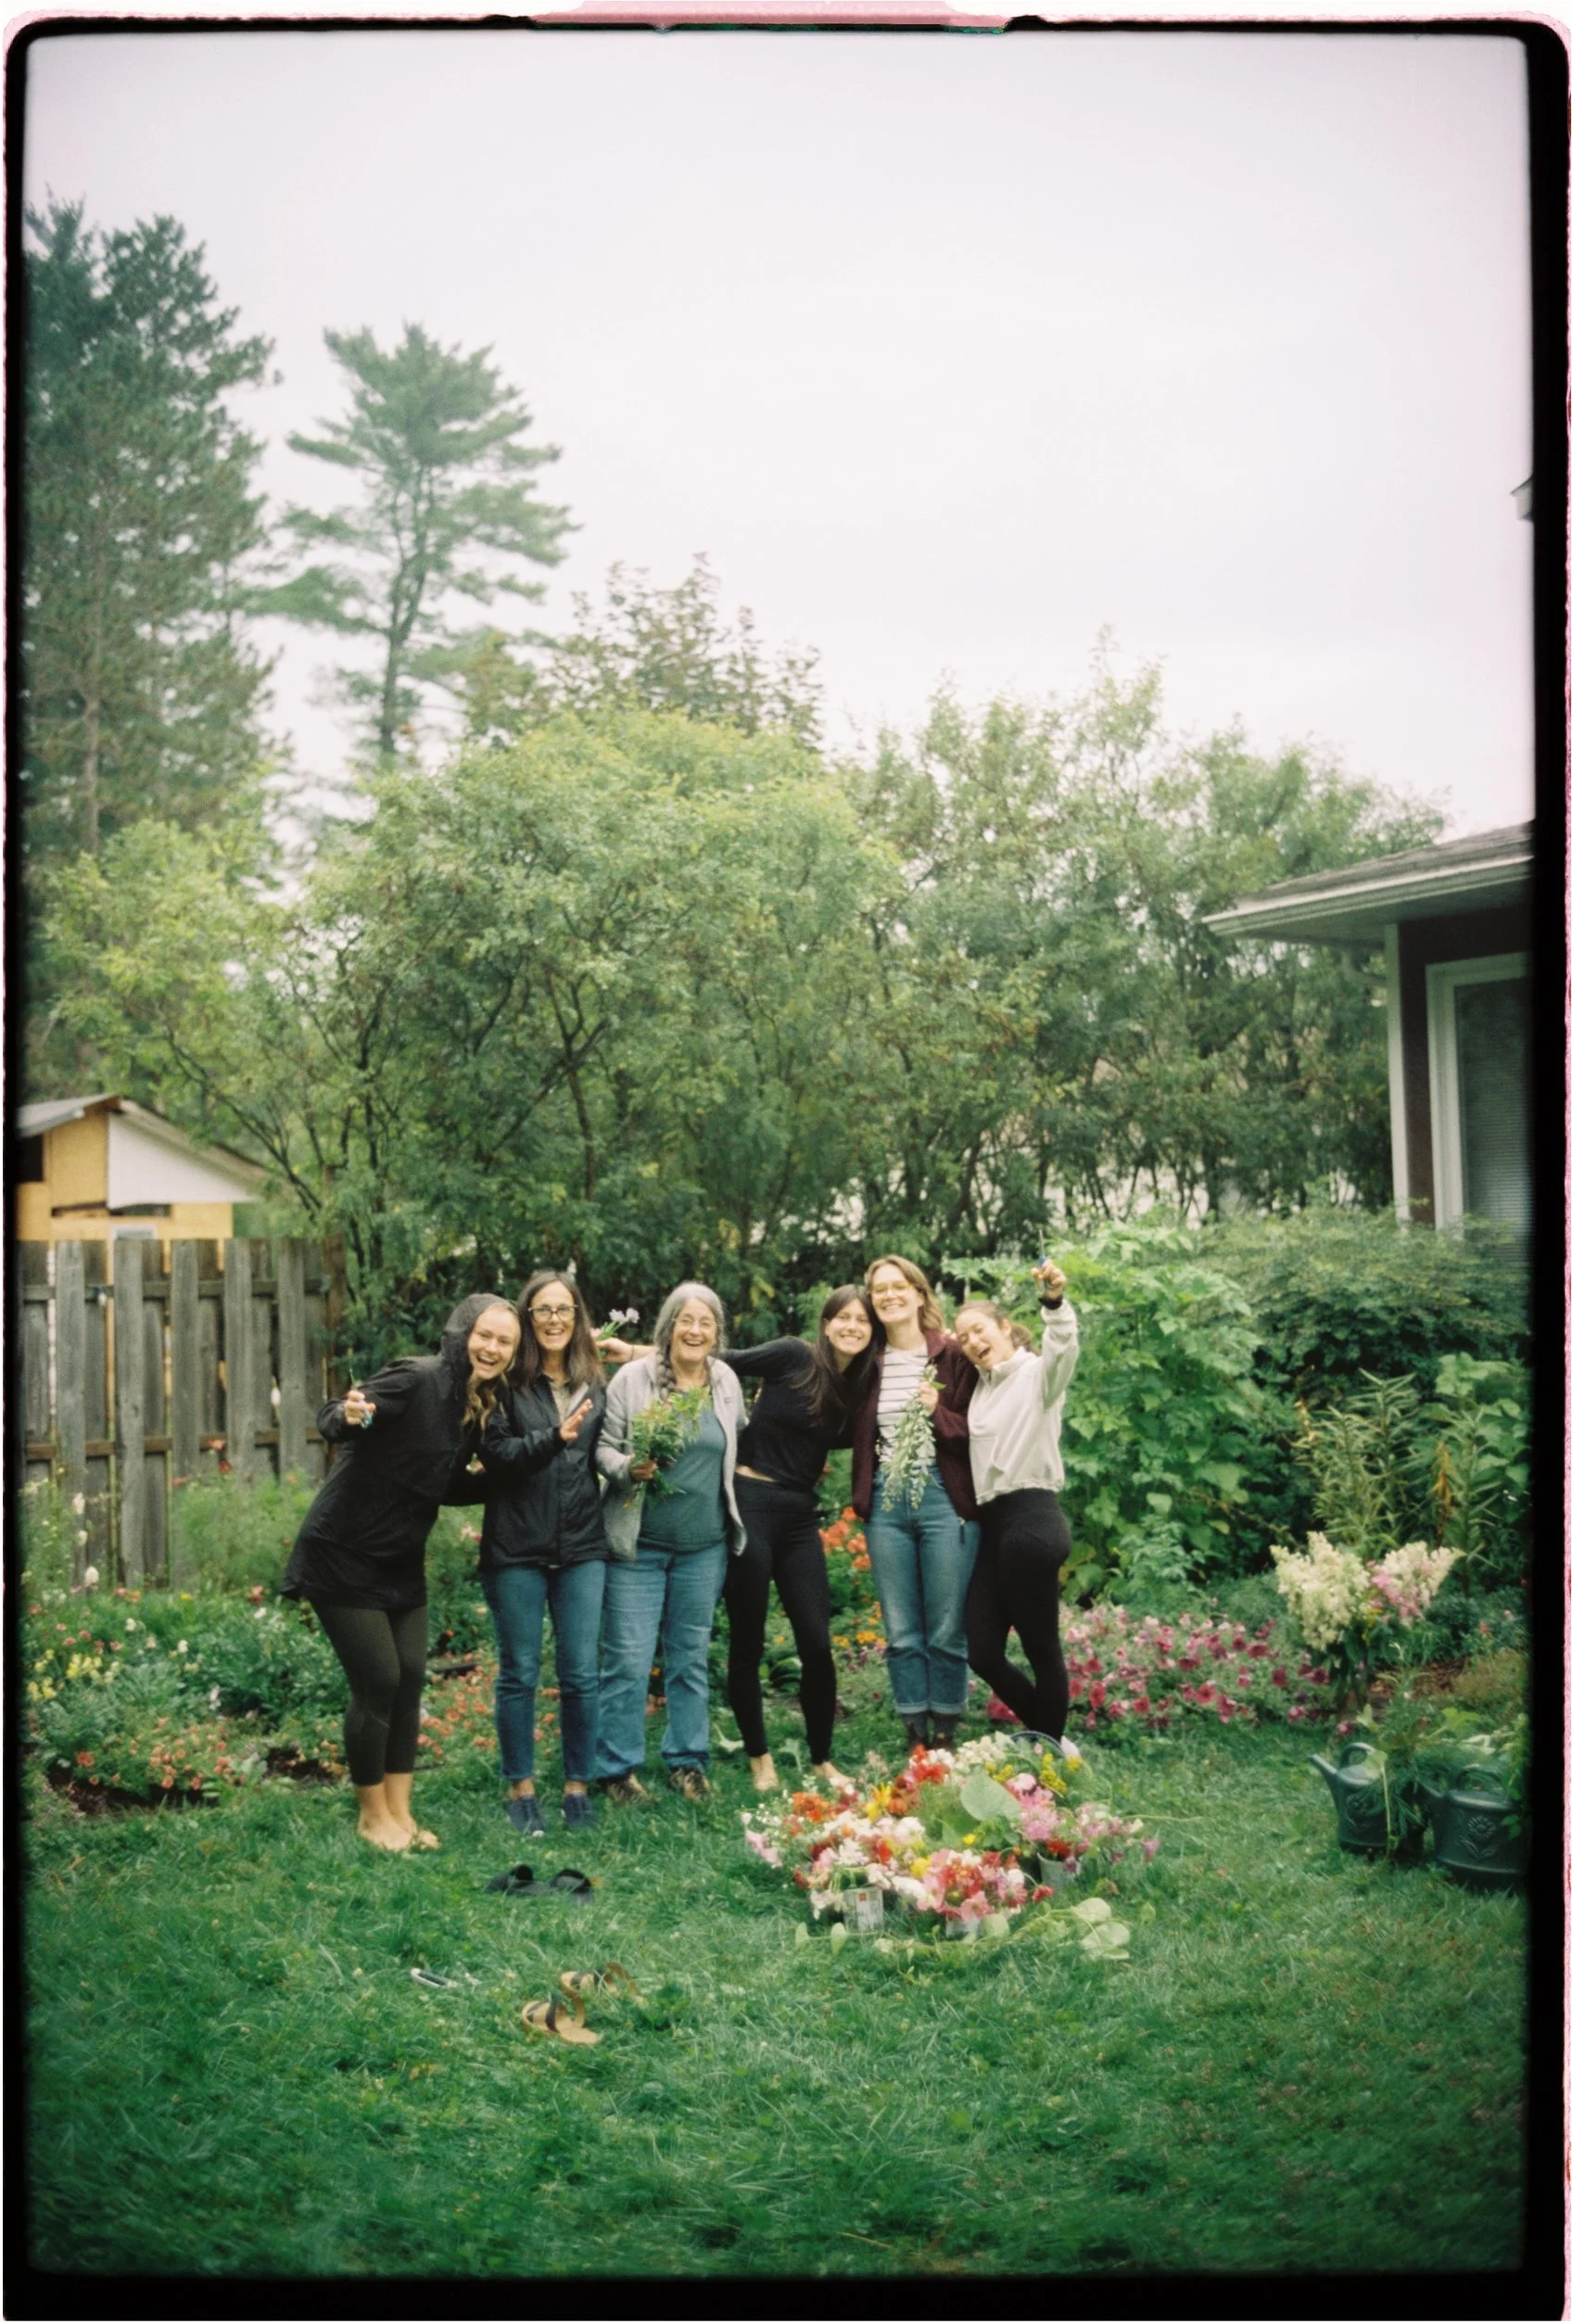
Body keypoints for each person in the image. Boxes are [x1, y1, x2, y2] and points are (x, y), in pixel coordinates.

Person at [280, 1292, 520, 1851]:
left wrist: (508, 1479)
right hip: (342, 1550)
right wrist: (348, 1414)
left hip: (400, 1559)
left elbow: (446, 1483)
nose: (492, 1348)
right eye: (485, 1335)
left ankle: (400, 1815)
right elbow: (334, 1416)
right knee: (379, 1680)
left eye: (504, 1342)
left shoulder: (475, 1402)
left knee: (411, 1677)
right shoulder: (416, 1378)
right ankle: (370, 1818)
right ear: (462, 1332)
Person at [476, 1274, 638, 1836]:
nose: (552, 1319)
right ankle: (521, 1789)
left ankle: (576, 1787)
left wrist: (634, 1463)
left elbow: (609, 1448)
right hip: (515, 1547)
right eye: (541, 1310)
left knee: (580, 1675)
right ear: (526, 1317)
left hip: (580, 1546)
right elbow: (495, 1453)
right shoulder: (506, 1383)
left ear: (577, 1316)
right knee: (519, 1673)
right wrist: (554, 1438)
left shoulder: (595, 1380)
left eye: (563, 1309)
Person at [722, 1288, 878, 1795]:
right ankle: (759, 1757)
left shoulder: (856, 1390)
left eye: (863, 1320)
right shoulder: (793, 1356)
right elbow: (716, 1359)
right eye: (844, 1317)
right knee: (749, 1639)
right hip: (751, 1502)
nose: (853, 1326)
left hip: (798, 1517)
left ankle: (821, 1760)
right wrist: (627, 1351)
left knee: (816, 1642)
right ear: (827, 1322)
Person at [594, 1283, 745, 1803]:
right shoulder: (632, 1380)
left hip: (704, 1548)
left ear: (716, 1332)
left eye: (706, 1322)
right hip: (639, 1547)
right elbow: (605, 1448)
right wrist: (627, 1469)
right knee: (629, 1661)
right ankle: (617, 1770)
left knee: (689, 1657)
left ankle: (688, 1761)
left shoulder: (724, 1381)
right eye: (686, 1320)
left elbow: (733, 1441)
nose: (696, 1330)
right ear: (668, 1327)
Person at [849, 1255, 979, 1754]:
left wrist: (937, 1412)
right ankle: (914, 1732)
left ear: (920, 1294)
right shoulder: (868, 1361)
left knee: (947, 1624)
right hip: (888, 1499)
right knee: (901, 1627)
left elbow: (979, 1430)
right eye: (878, 1289)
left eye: (898, 1286)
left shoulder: (953, 1356)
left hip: (943, 1496)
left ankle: (946, 1727)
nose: (888, 1295)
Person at [952, 1262, 1080, 1748]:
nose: (971, 1342)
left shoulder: (1036, 1376)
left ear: (1005, 1327)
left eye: (979, 1330)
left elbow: (1064, 1347)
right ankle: (1049, 1737)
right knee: (981, 1649)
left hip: (1032, 1519)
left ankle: (1046, 1757)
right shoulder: (982, 1388)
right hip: (996, 1526)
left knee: (1042, 1649)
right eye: (964, 1337)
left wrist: (1053, 1303)